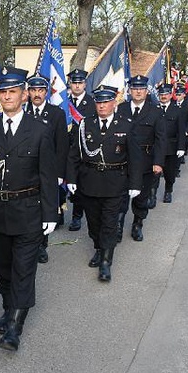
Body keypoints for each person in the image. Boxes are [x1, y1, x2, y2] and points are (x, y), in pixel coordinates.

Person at [0, 66, 57, 352]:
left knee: (23, 270)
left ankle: (15, 326)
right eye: (3, 92)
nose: (7, 96)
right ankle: (9, 309)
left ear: (23, 94)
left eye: (13, 91)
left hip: (29, 211)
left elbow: (47, 175)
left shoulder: (40, 131)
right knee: (3, 269)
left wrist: (50, 214)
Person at [66, 86, 141, 282]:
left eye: (106, 102)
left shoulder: (126, 125)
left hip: (115, 182)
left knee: (109, 223)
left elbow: (135, 157)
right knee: (93, 222)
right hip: (89, 181)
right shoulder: (85, 124)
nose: (102, 106)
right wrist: (72, 179)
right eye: (99, 102)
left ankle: (106, 261)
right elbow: (75, 155)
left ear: (114, 103)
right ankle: (99, 248)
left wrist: (135, 184)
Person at [115, 75, 166, 242]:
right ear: (129, 91)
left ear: (146, 91)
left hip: (146, 161)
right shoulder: (120, 109)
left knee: (141, 197)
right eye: (135, 89)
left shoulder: (155, 111)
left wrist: (158, 162)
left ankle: (138, 224)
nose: (138, 92)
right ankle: (118, 226)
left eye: (141, 89)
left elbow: (160, 139)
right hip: (122, 161)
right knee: (120, 196)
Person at [25, 75, 68, 264]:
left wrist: (59, 173)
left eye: (40, 90)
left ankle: (42, 245)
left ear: (46, 92)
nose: (37, 94)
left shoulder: (56, 114)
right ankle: (28, 242)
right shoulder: (22, 111)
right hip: (25, 170)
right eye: (33, 90)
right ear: (28, 92)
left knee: (44, 207)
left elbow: (62, 145)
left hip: (48, 170)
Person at [65, 68, 95, 231]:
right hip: (64, 147)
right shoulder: (62, 101)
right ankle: (58, 212)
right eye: (74, 83)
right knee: (61, 180)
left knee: (79, 184)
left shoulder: (92, 103)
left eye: (80, 83)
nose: (77, 86)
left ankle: (76, 216)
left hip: (82, 148)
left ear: (85, 84)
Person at [154, 83, 186, 203]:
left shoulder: (177, 110)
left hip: (170, 146)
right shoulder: (153, 109)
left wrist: (181, 147)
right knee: (154, 171)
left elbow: (181, 130)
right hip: (156, 146)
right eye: (161, 94)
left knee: (169, 172)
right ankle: (152, 193)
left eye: (166, 94)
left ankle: (168, 191)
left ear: (170, 94)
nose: (163, 96)